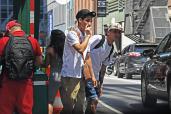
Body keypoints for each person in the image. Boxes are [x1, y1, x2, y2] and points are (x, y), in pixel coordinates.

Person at [0, 20, 42, 114]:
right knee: (26, 110)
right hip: (26, 82)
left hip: (7, 82)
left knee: (5, 110)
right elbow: (39, 61)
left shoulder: (3, 41)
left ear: (9, 30)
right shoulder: (33, 41)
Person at [60, 9, 96, 114]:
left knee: (80, 106)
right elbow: (80, 49)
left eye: (91, 21)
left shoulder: (86, 37)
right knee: (68, 108)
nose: (89, 23)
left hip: (81, 75)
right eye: (87, 20)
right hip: (70, 76)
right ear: (80, 20)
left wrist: (92, 75)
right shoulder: (72, 34)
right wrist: (88, 36)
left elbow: (87, 57)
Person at [85, 23, 123, 114]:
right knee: (94, 100)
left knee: (92, 101)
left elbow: (103, 67)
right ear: (108, 32)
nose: (117, 34)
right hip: (86, 74)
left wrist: (100, 84)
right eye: (114, 31)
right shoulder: (99, 39)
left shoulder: (111, 49)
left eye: (119, 32)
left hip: (95, 78)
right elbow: (85, 50)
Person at [43, 29, 65, 114]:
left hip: (54, 75)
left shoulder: (50, 49)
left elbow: (46, 64)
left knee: (50, 101)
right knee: (66, 102)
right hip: (65, 75)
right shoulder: (66, 49)